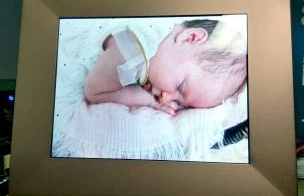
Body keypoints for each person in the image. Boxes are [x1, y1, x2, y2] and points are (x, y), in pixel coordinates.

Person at [83, 18, 247, 116]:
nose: (165, 98)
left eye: (181, 104)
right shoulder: (135, 49)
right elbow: (94, 92)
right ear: (190, 37)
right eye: (180, 88)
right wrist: (150, 103)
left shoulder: (164, 36)